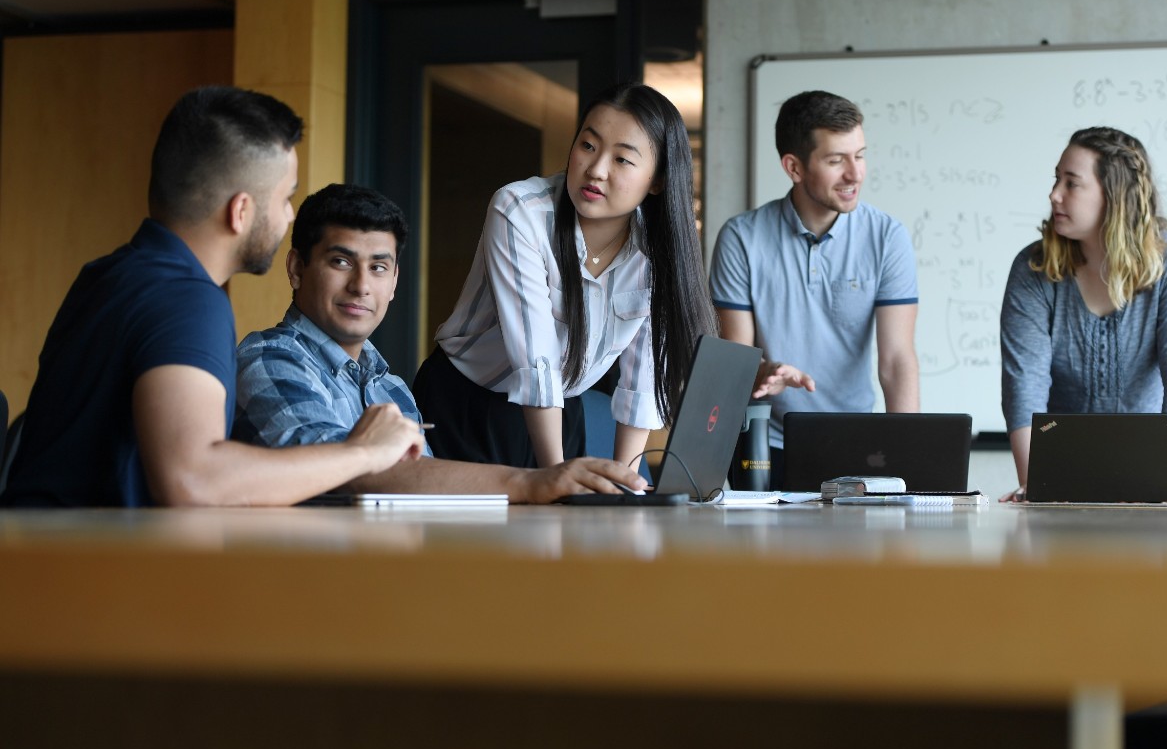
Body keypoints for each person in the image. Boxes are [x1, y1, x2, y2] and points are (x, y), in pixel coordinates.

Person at [1, 86, 425, 507]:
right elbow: (194, 481)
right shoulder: (187, 301)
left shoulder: (106, 275)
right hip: (81, 570)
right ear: (241, 211)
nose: (289, 215)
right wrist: (364, 452)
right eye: (286, 198)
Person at [234, 183, 647, 502]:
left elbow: (422, 487)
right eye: (341, 262)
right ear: (296, 268)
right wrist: (529, 482)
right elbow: (336, 471)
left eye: (378, 267)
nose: (361, 286)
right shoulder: (270, 358)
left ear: (394, 282)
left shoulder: (390, 386)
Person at [413, 82, 718, 471]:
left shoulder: (658, 250)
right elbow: (535, 356)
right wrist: (553, 475)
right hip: (469, 404)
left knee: (564, 526)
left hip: (562, 410)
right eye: (588, 146)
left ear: (657, 180)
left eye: (623, 159)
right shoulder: (520, 211)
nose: (596, 170)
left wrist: (625, 479)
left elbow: (642, 378)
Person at [708, 90, 920, 484]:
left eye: (860, 155)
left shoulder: (887, 236)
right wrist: (765, 371)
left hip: (859, 445)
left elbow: (896, 361)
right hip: (764, 444)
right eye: (836, 160)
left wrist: (907, 457)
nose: (855, 174)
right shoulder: (742, 238)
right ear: (794, 167)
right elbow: (735, 362)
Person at [999, 126, 1167, 501]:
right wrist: (1037, 486)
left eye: (1071, 183)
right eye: (1056, 179)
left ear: (1114, 196)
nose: (1054, 194)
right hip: (1062, 473)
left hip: (1163, 470)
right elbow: (1023, 388)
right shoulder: (1034, 268)